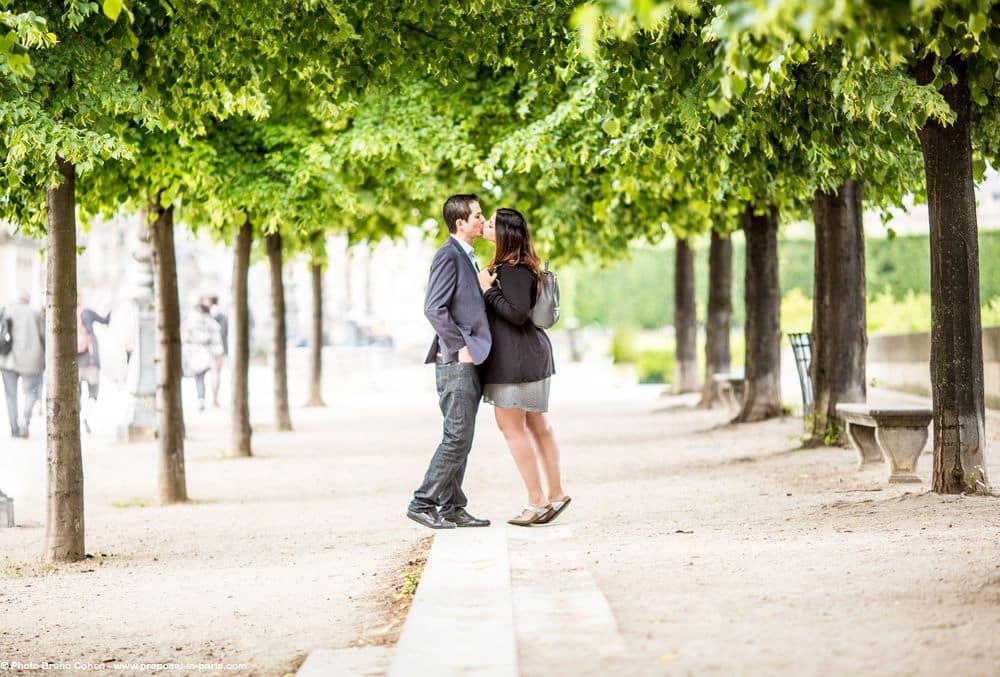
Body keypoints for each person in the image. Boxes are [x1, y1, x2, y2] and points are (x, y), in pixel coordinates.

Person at [477, 208, 571, 526]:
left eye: (490, 223)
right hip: (530, 355)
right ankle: (555, 494)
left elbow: (516, 313)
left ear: (503, 234)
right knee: (537, 426)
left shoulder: (511, 269)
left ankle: (537, 501)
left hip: (516, 360)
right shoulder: (522, 265)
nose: (485, 226)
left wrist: (488, 290)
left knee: (512, 427)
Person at [407, 194, 493, 530]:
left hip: (466, 359)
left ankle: (452, 506)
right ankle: (422, 502)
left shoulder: (466, 256)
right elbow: (433, 307)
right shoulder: (448, 255)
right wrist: (460, 347)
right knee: (456, 436)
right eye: (477, 215)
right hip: (456, 360)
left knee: (462, 435)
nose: (481, 221)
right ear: (460, 223)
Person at [0, 292, 45, 439]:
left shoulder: (7, 310)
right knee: (30, 392)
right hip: (31, 360)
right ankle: (25, 420)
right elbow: (44, 337)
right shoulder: (35, 313)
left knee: (10, 396)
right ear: (28, 300)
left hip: (8, 360)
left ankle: (14, 428)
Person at [182, 300, 224, 412]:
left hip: (201, 354)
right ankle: (211, 399)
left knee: (200, 377)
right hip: (211, 354)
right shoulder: (212, 322)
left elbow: (187, 339)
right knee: (209, 376)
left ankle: (202, 399)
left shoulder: (194, 322)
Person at [77, 301, 111, 434]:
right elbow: (105, 320)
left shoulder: (66, 315)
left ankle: (78, 419)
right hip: (91, 361)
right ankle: (86, 417)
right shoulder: (87, 312)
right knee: (93, 393)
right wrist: (111, 308)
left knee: (76, 394)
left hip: (76, 363)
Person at [204, 295, 228, 408]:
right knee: (216, 373)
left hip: (210, 349)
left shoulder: (207, 316)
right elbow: (224, 333)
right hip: (219, 349)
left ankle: (211, 398)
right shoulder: (222, 316)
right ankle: (214, 399)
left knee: (213, 374)